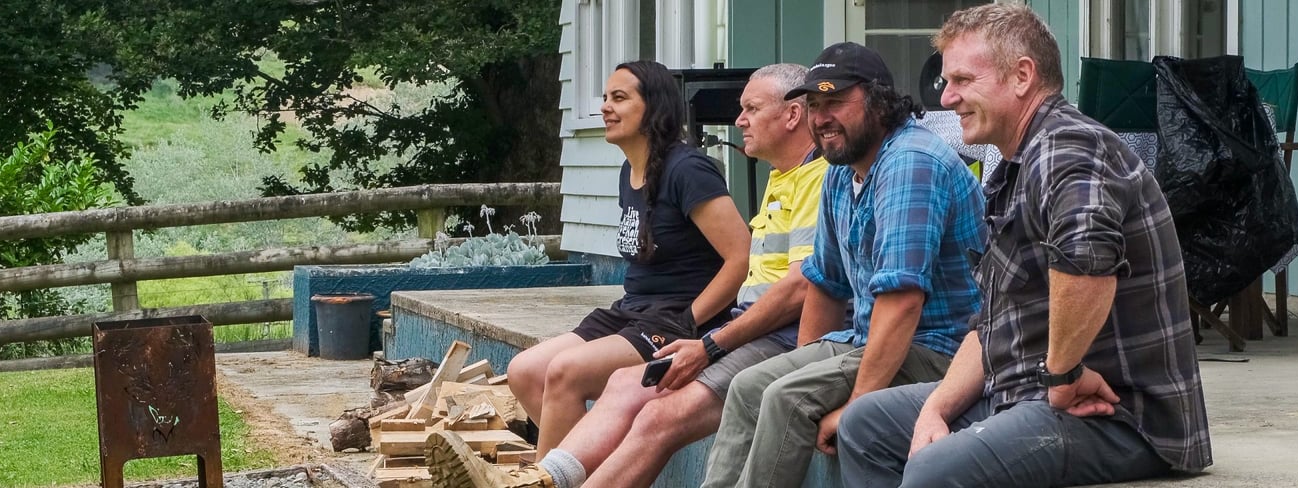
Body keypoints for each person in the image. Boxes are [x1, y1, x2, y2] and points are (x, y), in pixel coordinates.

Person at [836, 5, 1212, 487]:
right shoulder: (1015, 167)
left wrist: (1060, 378)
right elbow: (990, 324)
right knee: (866, 424)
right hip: (1021, 391)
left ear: (1022, 76)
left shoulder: (1071, 147)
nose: (947, 98)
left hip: (1120, 418)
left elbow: (1086, 261)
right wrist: (934, 409)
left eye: (963, 80)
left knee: (934, 470)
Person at [516, 63, 833, 488]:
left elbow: (782, 278)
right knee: (533, 371)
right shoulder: (782, 177)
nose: (739, 120)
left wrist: (701, 331)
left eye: (619, 97)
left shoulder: (699, 171)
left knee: (590, 383)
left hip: (700, 321)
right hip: (678, 316)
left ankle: (548, 478)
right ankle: (548, 477)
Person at [701, 42, 986, 488]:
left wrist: (855, 406)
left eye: (835, 101)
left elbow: (903, 303)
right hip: (864, 338)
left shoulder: (910, 162)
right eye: (813, 104)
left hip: (942, 350)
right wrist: (803, 365)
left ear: (878, 101)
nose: (820, 117)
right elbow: (826, 284)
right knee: (749, 386)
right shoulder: (840, 167)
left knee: (786, 399)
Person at [506, 60, 752, 459]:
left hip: (677, 316)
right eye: (605, 97)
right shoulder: (630, 170)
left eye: (619, 98)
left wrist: (689, 322)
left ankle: (550, 479)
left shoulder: (688, 169)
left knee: (566, 373)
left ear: (653, 109)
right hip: (634, 310)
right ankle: (598, 470)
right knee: (525, 371)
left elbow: (741, 257)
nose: (605, 107)